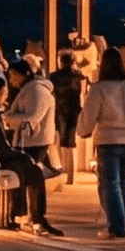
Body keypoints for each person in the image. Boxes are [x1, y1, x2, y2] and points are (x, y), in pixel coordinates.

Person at [0, 72, 59, 235]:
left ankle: (37, 218)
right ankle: (16, 216)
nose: (6, 94)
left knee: (34, 171)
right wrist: (17, 155)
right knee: (20, 166)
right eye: (3, 91)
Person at [80, 45, 125, 237]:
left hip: (108, 141)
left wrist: (83, 132)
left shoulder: (99, 88)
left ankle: (116, 227)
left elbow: (88, 117)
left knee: (110, 184)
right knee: (124, 183)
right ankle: (121, 224)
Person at [3, 58, 57, 176]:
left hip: (35, 140)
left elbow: (33, 117)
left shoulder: (37, 90)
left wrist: (7, 118)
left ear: (25, 74)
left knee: (27, 173)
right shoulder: (28, 89)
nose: (11, 79)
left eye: (14, 75)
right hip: (30, 139)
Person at [49, 40, 87, 184]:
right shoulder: (80, 76)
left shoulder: (53, 77)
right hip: (76, 111)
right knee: (71, 144)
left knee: (58, 142)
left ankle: (61, 172)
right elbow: (83, 94)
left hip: (59, 112)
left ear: (61, 61)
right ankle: (72, 177)